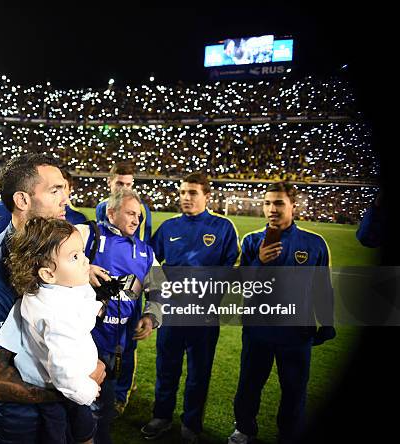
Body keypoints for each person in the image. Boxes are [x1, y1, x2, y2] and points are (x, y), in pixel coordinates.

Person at [0, 154, 106, 443]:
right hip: (21, 425)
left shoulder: (48, 246)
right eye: (55, 190)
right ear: (22, 200)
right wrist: (71, 386)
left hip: (61, 415)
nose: (64, 200)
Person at [228, 182, 336, 444]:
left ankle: (288, 434)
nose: (271, 209)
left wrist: (327, 322)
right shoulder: (253, 241)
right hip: (258, 330)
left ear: (293, 206)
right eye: (267, 203)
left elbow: (322, 286)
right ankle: (244, 430)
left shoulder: (314, 243)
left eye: (278, 203)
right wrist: (259, 262)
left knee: (294, 389)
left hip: (297, 333)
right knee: (249, 385)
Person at [142, 172, 240, 443]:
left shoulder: (223, 228)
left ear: (207, 196)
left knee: (199, 373)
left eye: (192, 193)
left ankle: (191, 424)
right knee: (166, 368)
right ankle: (161, 417)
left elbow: (231, 270)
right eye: (183, 192)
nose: (186, 197)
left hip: (204, 316)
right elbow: (149, 262)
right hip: (171, 314)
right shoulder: (170, 227)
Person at [0, 217, 102, 444]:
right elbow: (62, 370)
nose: (85, 261)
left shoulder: (53, 290)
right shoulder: (56, 316)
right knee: (68, 433)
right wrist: (86, 390)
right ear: (47, 274)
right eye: (74, 257)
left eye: (82, 253)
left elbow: (80, 300)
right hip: (63, 390)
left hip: (60, 384)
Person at [80, 187, 163, 444]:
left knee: (103, 410)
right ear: (111, 212)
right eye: (130, 213)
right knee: (75, 406)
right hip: (80, 341)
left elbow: (160, 289)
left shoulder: (146, 252)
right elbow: (52, 261)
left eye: (138, 215)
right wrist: (84, 267)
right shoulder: (87, 234)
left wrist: (150, 317)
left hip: (118, 344)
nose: (136, 220)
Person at [95, 162, 152, 243]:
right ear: (109, 182)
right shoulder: (101, 207)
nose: (124, 189)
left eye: (128, 185)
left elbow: (142, 244)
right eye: (120, 184)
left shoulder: (141, 209)